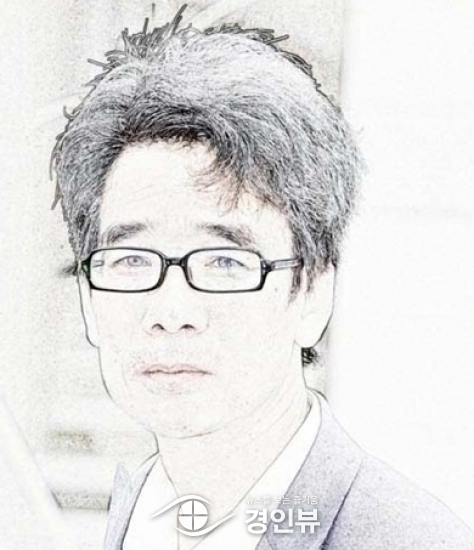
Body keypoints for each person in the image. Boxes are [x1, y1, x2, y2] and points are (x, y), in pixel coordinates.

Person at [51, 7, 474, 549]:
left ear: (314, 293)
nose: (171, 312)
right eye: (131, 260)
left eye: (225, 262)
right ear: (89, 299)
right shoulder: (142, 510)